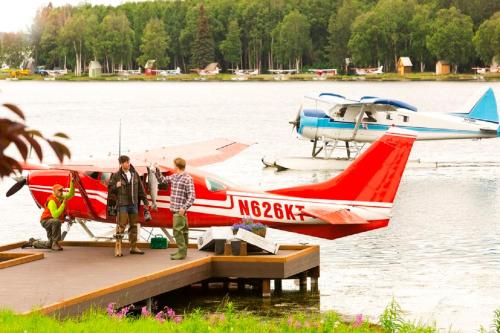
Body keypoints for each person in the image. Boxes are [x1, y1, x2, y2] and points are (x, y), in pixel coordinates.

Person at [155, 157, 195, 260]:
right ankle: (183, 251)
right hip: (176, 209)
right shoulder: (175, 176)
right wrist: (157, 169)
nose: (173, 166)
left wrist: (184, 207)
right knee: (184, 231)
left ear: (177, 166)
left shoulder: (187, 178)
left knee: (177, 231)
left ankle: (181, 252)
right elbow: (162, 180)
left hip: (180, 210)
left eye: (174, 165)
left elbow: (192, 196)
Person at [108, 155, 150, 256]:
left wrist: (145, 202)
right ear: (121, 164)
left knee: (134, 226)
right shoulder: (116, 175)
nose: (128, 163)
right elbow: (110, 189)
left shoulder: (134, 174)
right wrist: (115, 186)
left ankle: (133, 247)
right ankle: (118, 248)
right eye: (126, 162)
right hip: (122, 204)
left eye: (128, 161)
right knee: (121, 226)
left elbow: (141, 189)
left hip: (133, 203)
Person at [23, 175, 75, 251]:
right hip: (46, 221)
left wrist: (72, 182)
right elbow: (55, 215)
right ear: (54, 192)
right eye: (59, 190)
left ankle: (33, 242)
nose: (61, 192)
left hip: (51, 222)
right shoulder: (52, 201)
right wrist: (63, 205)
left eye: (62, 190)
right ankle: (55, 243)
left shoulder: (62, 197)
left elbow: (71, 194)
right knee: (56, 221)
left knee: (49, 244)